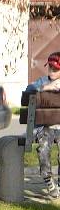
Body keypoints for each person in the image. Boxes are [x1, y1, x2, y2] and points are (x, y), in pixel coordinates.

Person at [25, 51, 60, 198]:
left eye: (55, 69)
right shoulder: (42, 82)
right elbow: (28, 90)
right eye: (50, 68)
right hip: (45, 127)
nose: (51, 71)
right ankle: (48, 179)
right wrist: (45, 88)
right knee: (43, 148)